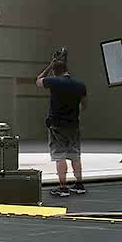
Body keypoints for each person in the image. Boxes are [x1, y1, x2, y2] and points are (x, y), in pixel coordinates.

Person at [37, 56, 88, 197]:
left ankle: (63, 187)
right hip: (73, 124)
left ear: (55, 72)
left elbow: (38, 80)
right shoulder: (80, 84)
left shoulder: (54, 82)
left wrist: (49, 66)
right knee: (75, 155)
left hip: (57, 125)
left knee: (60, 156)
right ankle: (79, 184)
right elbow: (84, 104)